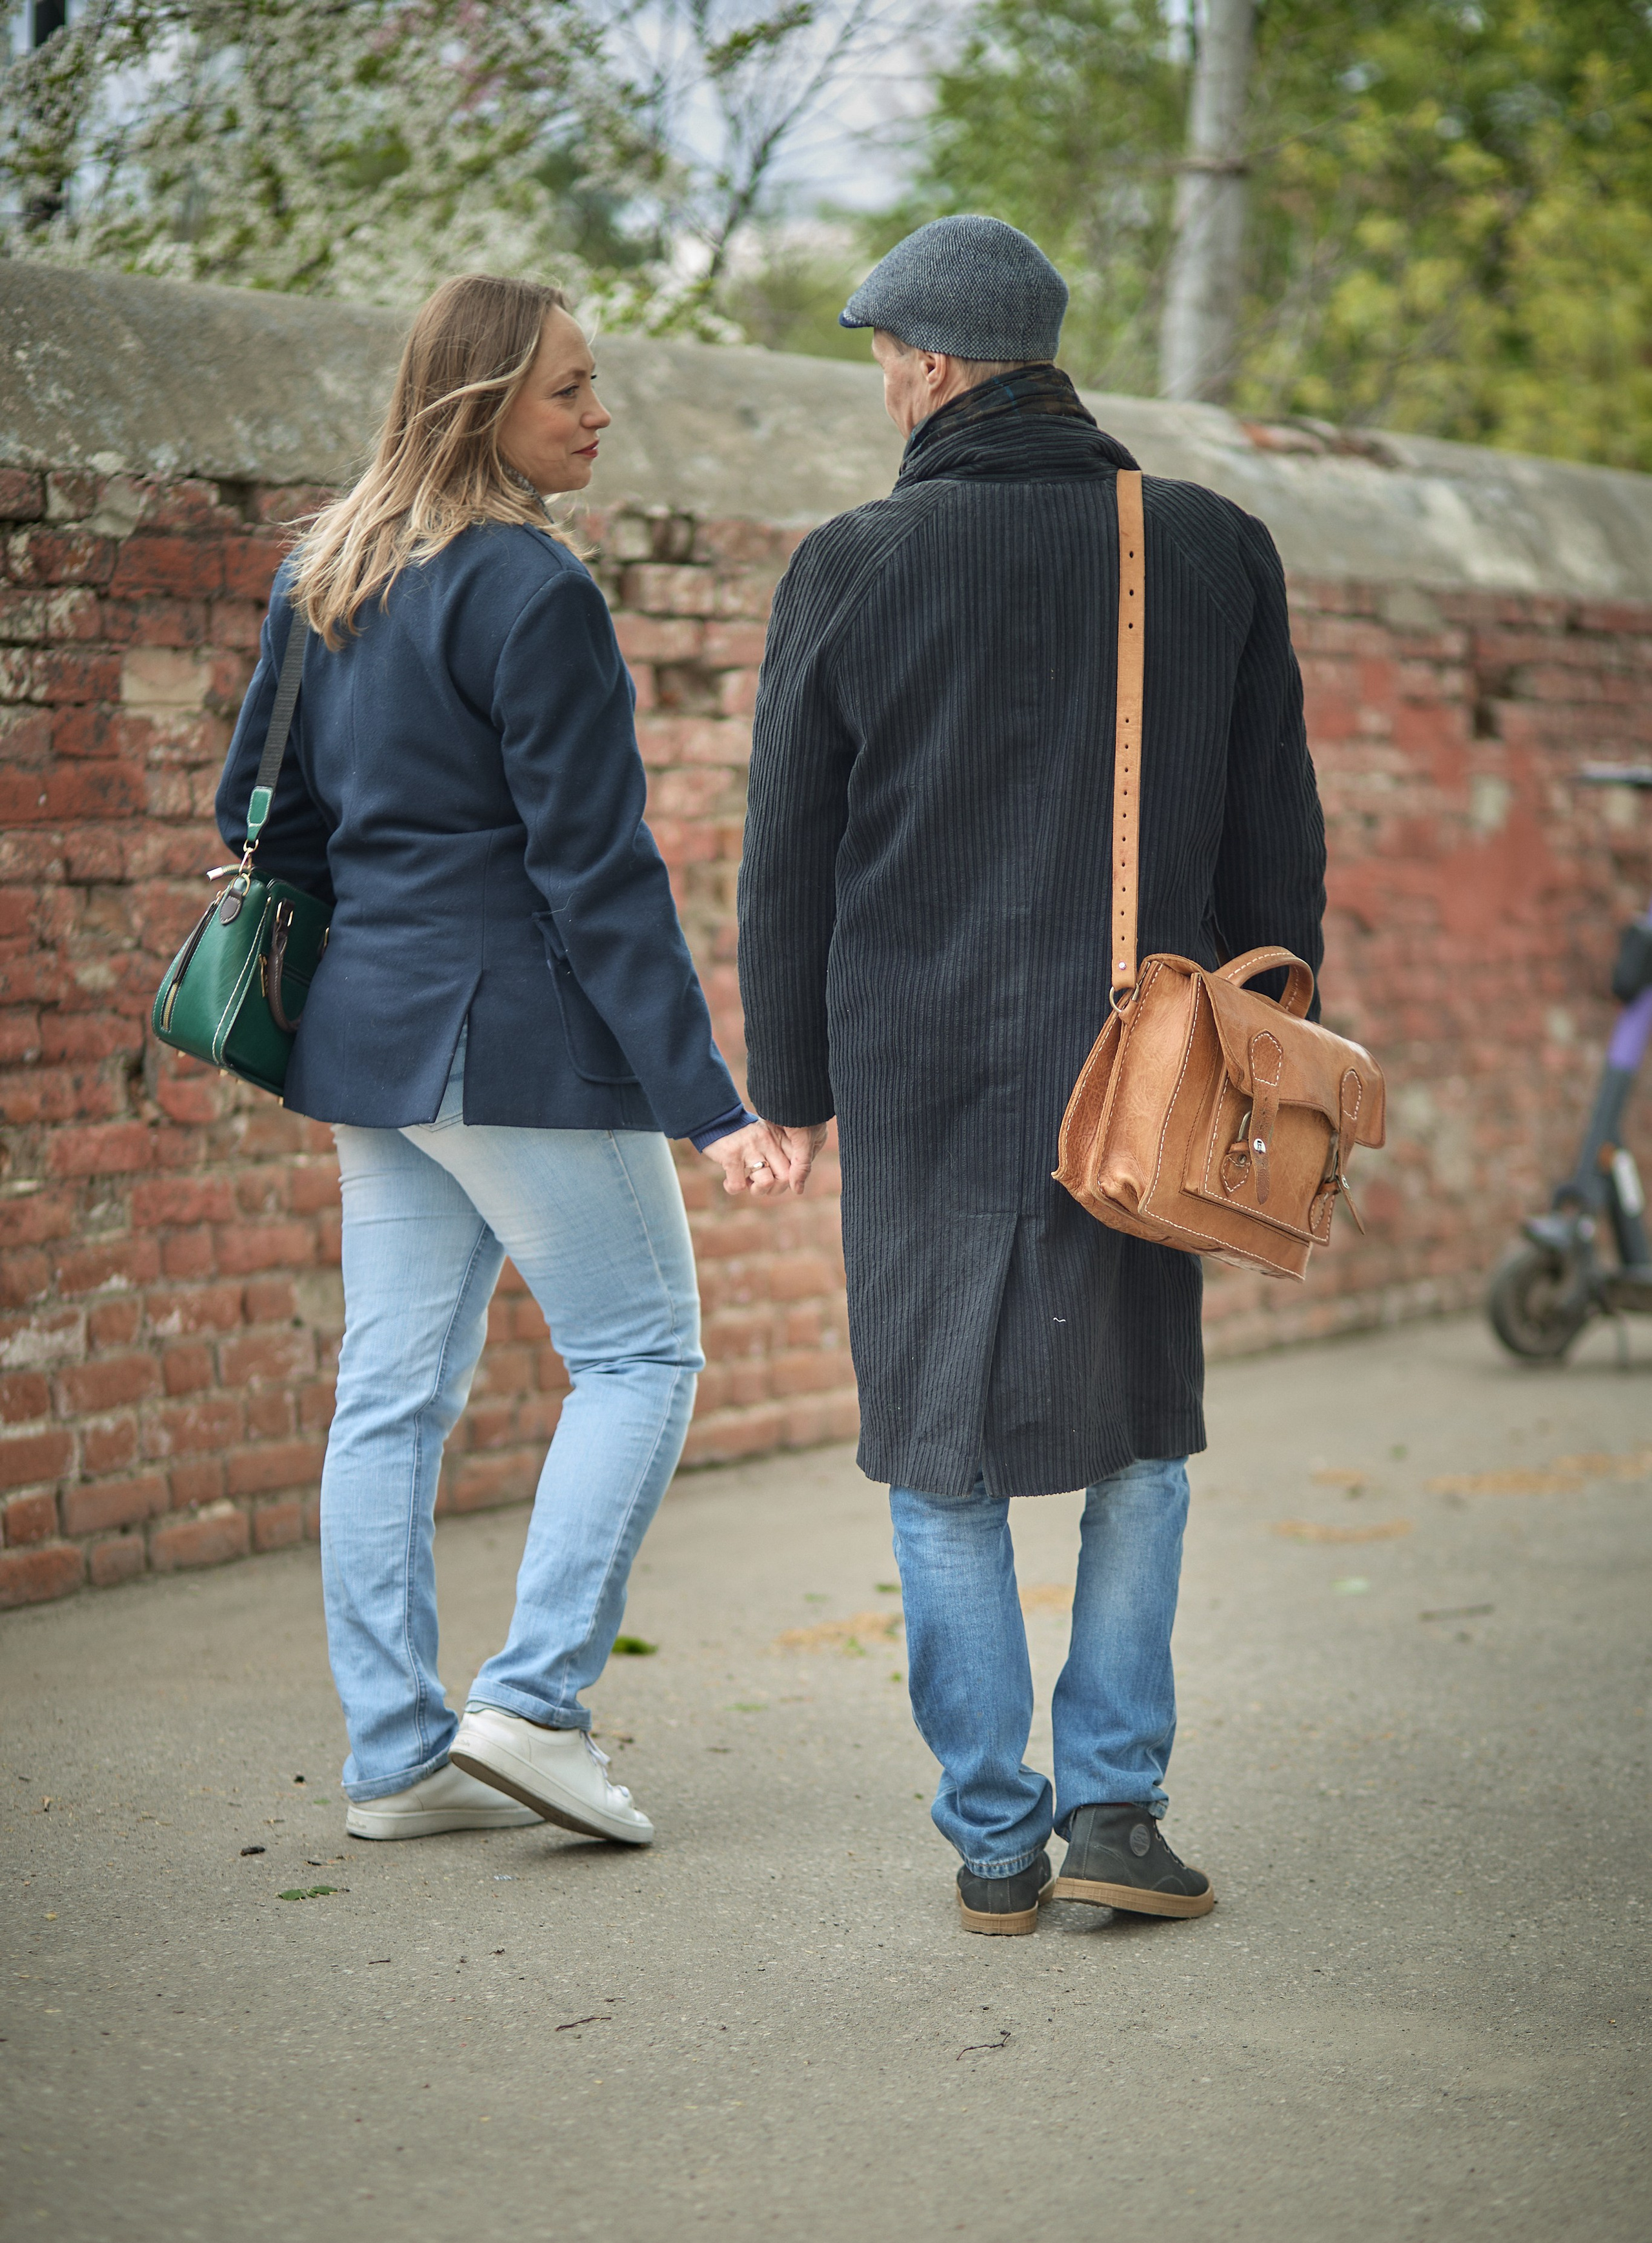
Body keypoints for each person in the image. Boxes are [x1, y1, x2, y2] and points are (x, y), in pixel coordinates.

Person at [738, 216, 1327, 1933]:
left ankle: (997, 1841)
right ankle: (1122, 1816)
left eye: (879, 359)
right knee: (1142, 1439)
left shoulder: (853, 564)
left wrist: (790, 1086)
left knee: (942, 1453)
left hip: (917, 1067)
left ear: (924, 366)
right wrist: (1264, 1063)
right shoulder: (1211, 547)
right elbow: (1278, 833)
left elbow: (791, 861)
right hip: (1148, 1070)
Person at [216, 274, 790, 1848]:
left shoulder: (322, 572)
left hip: (363, 1038)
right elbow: (597, 877)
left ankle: (396, 1760)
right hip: (513, 1041)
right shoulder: (532, 591)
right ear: (483, 409)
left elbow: (260, 826)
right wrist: (711, 1104)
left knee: (387, 1400)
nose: (598, 414)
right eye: (569, 392)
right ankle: (534, 1708)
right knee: (640, 1355)